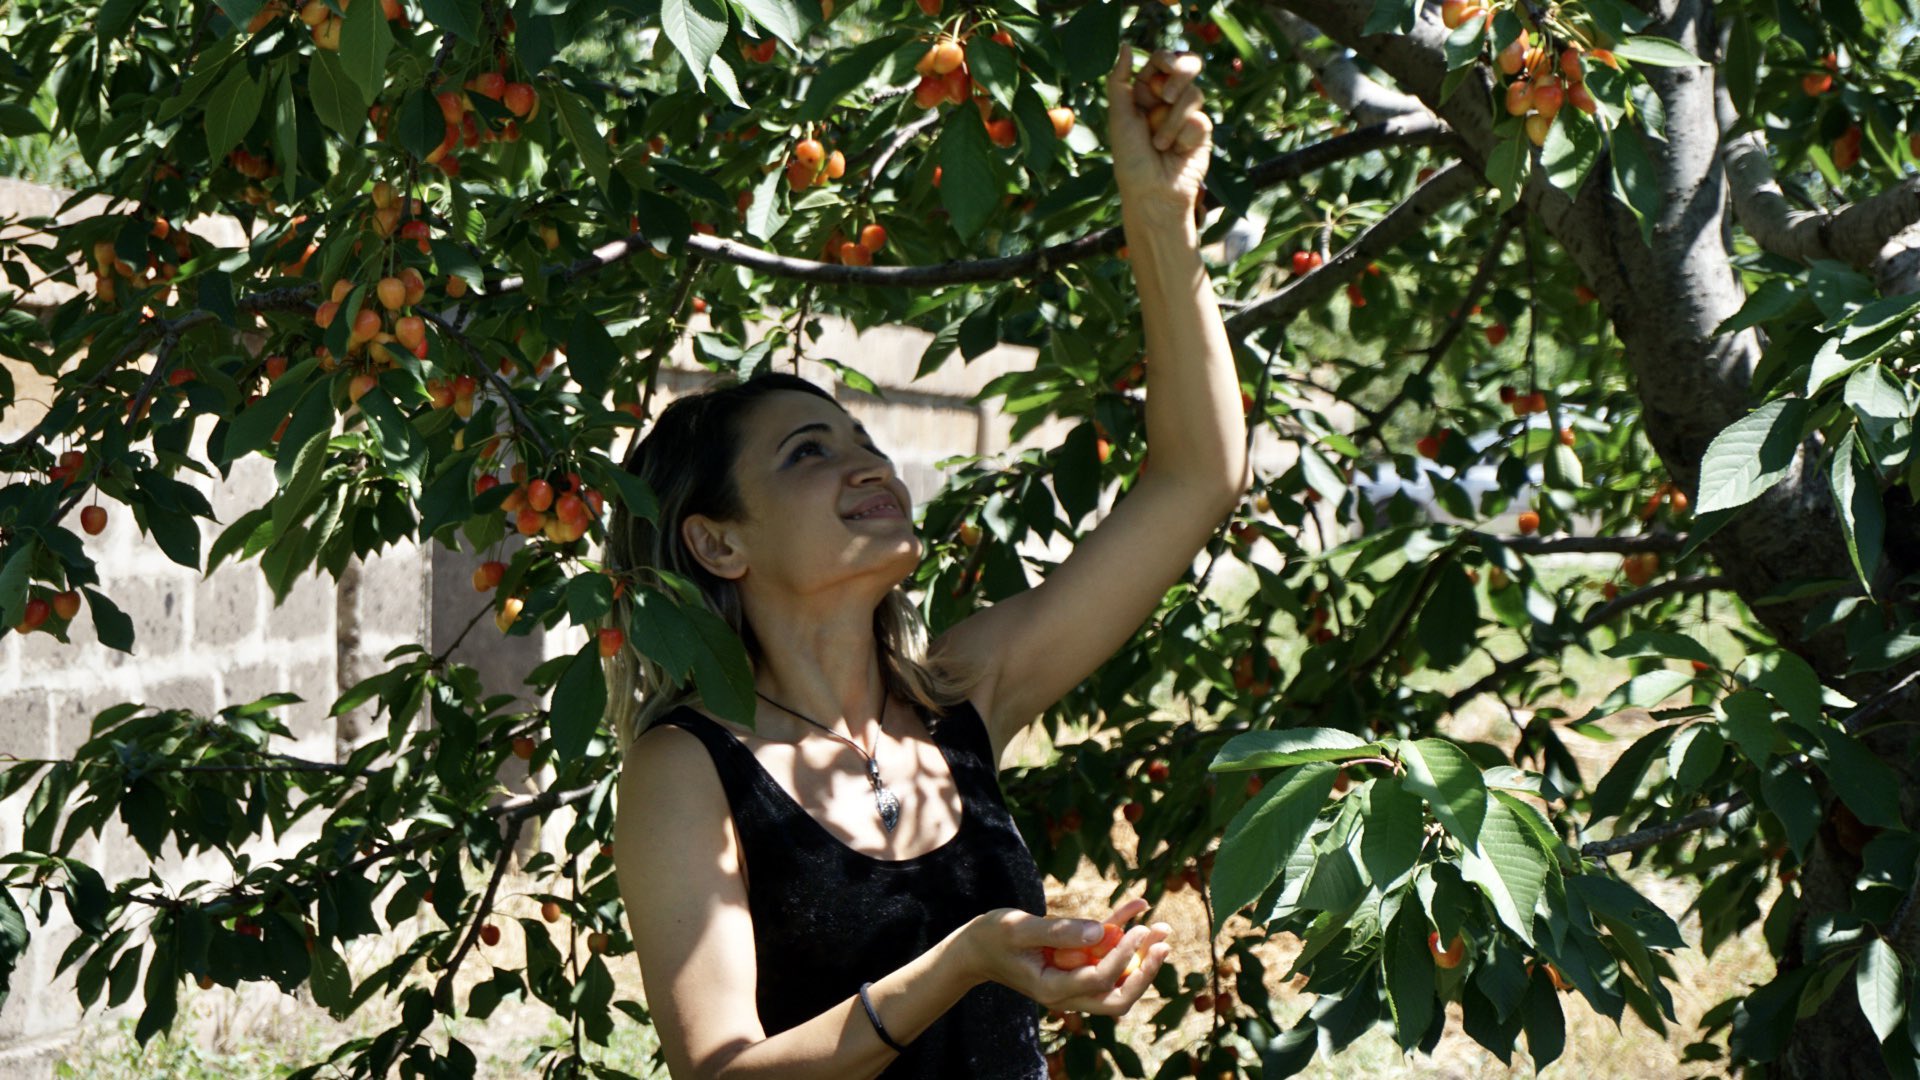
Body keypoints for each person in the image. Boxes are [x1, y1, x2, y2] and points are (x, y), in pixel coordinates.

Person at [603, 47, 1248, 1080]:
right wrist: (959, 966)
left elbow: (1195, 479)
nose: (865, 462)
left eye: (860, 439)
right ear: (718, 541)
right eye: (808, 453)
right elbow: (717, 1070)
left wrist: (1159, 213)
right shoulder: (687, 768)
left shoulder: (961, 696)